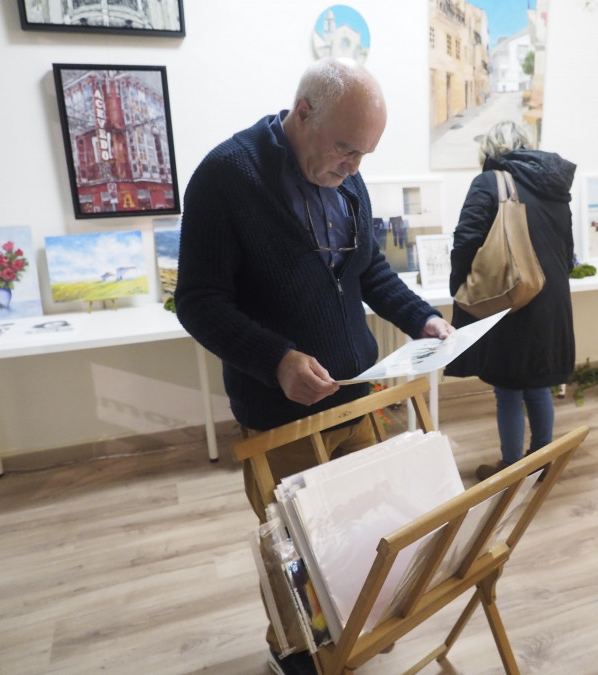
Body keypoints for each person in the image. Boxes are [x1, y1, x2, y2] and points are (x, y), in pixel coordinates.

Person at [173, 57, 453, 675]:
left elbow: (370, 269)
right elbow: (196, 302)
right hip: (281, 412)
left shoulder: (347, 178)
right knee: (296, 553)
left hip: (360, 396)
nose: (353, 167)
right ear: (303, 113)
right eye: (346, 149)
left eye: (364, 156)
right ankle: (295, 651)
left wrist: (423, 320)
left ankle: (356, 630)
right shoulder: (227, 176)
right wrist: (276, 359)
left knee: (365, 534)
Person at [444, 121, 576, 482]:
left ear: (489, 150)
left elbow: (465, 241)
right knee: (537, 384)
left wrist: (463, 288)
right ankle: (542, 460)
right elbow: (568, 249)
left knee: (508, 390)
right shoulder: (554, 184)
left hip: (510, 298)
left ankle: (512, 467)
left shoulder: (490, 182)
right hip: (550, 299)